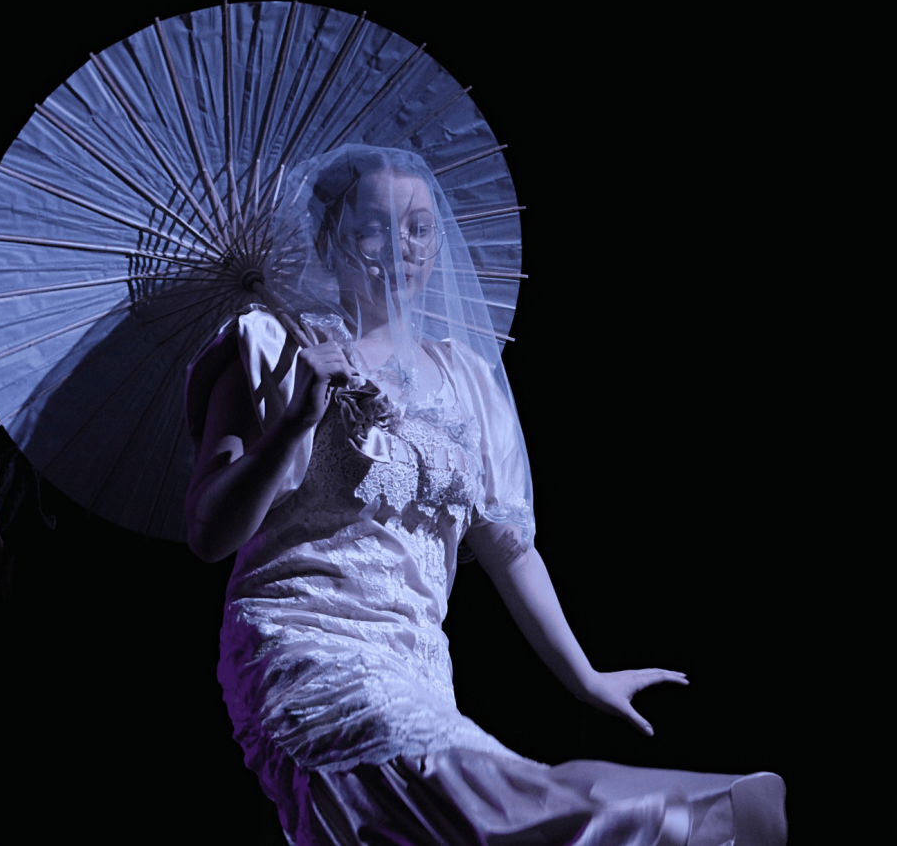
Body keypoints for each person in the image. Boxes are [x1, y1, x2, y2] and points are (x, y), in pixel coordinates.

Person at [183, 145, 787, 845]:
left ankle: (681, 821)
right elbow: (209, 529)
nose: (400, 247)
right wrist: (296, 419)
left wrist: (585, 676)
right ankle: (683, 823)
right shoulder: (271, 346)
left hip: (415, 663)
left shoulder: (466, 377)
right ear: (330, 241)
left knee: (453, 809)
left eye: (418, 227)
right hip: (303, 641)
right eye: (374, 226)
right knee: (461, 793)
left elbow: (510, 546)